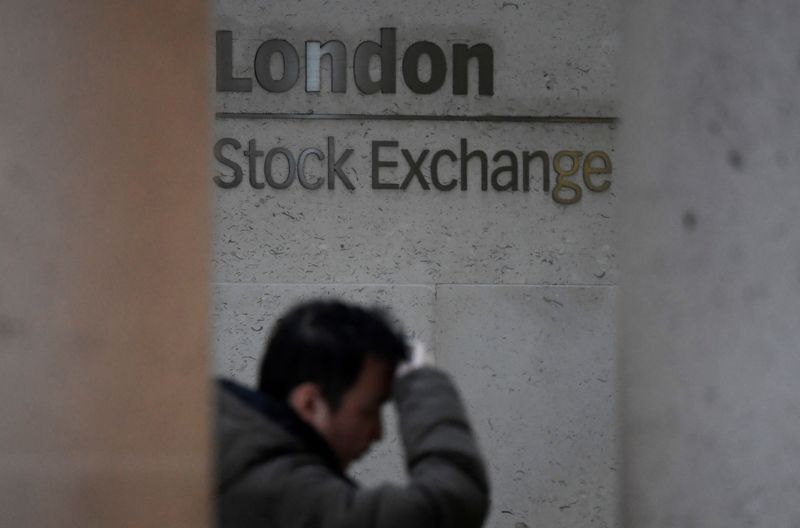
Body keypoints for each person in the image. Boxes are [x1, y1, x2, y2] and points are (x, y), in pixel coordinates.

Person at [215, 299, 489, 528]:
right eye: (369, 411)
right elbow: (453, 502)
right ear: (310, 404)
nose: (378, 434)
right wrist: (421, 379)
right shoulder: (287, 495)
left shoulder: (224, 452)